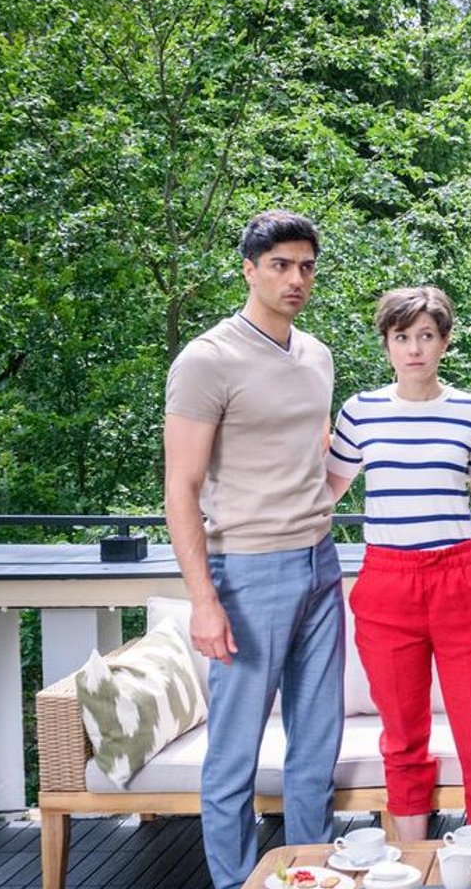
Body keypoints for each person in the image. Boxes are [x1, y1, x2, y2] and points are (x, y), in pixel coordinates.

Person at [164, 210, 344, 889]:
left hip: (321, 564)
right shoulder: (207, 360)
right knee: (235, 754)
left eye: (305, 266)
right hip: (244, 573)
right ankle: (238, 881)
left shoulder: (318, 354)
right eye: (280, 265)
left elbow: (318, 454)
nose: (295, 279)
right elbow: (179, 489)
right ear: (249, 269)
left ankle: (312, 874)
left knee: (315, 747)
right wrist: (203, 602)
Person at [325, 285, 471, 840]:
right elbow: (325, 494)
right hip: (387, 584)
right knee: (402, 736)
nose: (414, 349)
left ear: (445, 342)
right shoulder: (360, 412)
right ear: (386, 344)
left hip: (465, 580)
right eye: (402, 337)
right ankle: (411, 863)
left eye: (426, 336)